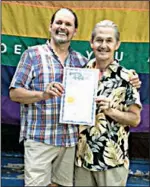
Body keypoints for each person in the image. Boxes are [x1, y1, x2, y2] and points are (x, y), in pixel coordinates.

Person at [9, 8, 141, 187]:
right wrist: (42, 94)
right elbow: (14, 93)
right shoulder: (38, 56)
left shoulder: (90, 66)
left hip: (88, 151)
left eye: (68, 24)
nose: (63, 27)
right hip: (52, 144)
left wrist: (122, 94)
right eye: (59, 23)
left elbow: (134, 119)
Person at [75, 20, 142, 187]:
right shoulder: (79, 75)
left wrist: (111, 111)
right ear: (91, 43)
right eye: (99, 40)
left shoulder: (127, 78)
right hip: (82, 160)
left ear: (117, 44)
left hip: (112, 162)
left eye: (109, 40)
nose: (103, 45)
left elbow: (135, 119)